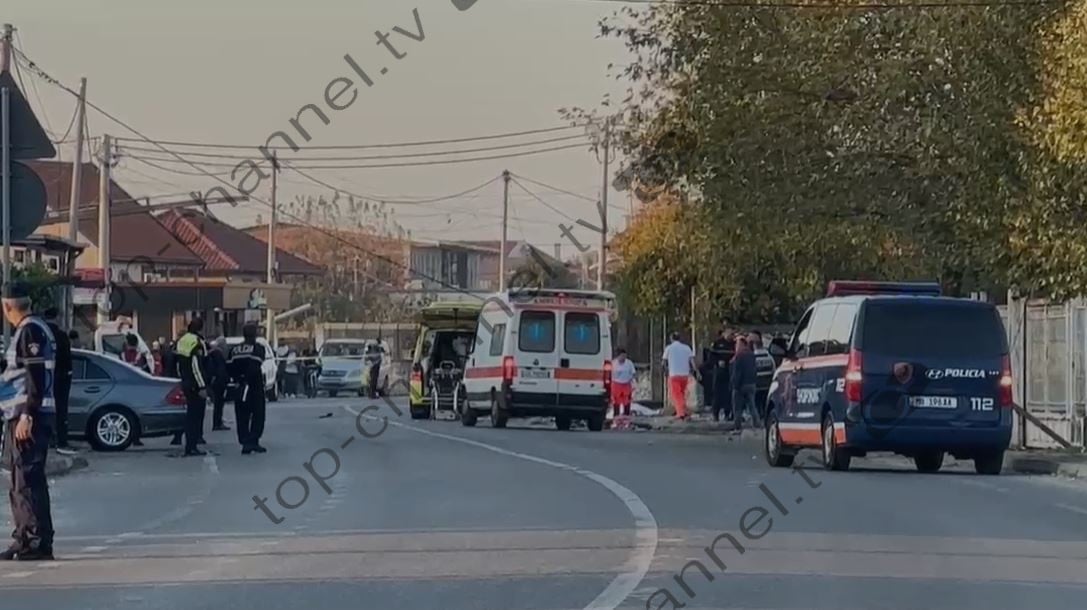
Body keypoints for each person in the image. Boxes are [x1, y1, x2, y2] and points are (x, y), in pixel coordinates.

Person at [0, 284, 56, 561]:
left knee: (27, 481)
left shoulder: (30, 331)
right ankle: (25, 537)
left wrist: (26, 415)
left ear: (7, 306)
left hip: (29, 417)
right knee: (22, 480)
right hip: (23, 415)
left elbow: (35, 376)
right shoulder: (33, 328)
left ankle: (35, 541)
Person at [229, 323, 267, 454]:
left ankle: (245, 441)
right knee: (258, 414)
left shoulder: (235, 349)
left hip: (239, 385)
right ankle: (253, 440)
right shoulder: (258, 348)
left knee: (241, 415)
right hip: (254, 386)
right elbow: (255, 366)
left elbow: (229, 367)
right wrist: (246, 378)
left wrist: (237, 379)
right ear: (254, 335)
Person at [175, 319, 209, 456]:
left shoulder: (182, 340)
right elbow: (197, 366)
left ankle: (190, 445)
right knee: (196, 416)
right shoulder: (196, 342)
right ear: (200, 329)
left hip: (185, 382)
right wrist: (202, 386)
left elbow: (178, 364)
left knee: (190, 415)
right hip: (195, 384)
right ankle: (192, 446)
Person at [42, 309, 73, 453]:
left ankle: (47, 440)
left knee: (43, 411)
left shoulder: (40, 334)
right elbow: (67, 358)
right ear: (57, 318)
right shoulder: (61, 336)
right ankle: (61, 442)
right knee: (61, 410)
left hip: (43, 379)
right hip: (61, 378)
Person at [662, 332, 698, 420]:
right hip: (685, 375)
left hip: (674, 374)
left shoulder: (669, 348)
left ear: (671, 339)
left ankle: (680, 413)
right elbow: (692, 361)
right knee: (682, 394)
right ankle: (684, 411)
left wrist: (665, 370)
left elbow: (663, 362)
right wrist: (696, 371)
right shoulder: (686, 348)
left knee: (676, 395)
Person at [731, 334, 761, 431]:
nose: (736, 346)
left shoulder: (739, 356)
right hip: (751, 384)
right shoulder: (752, 355)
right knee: (752, 405)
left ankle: (737, 426)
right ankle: (757, 423)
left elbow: (737, 373)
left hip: (741, 385)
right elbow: (754, 370)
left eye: (737, 344)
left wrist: (734, 385)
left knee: (737, 407)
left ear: (743, 345)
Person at [709, 329, 736, 422]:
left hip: (731, 372)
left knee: (729, 394)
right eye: (730, 334)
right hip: (719, 372)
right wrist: (717, 362)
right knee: (717, 394)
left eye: (732, 334)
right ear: (724, 334)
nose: (731, 336)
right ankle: (715, 414)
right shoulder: (717, 343)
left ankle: (727, 414)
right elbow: (711, 357)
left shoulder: (735, 344)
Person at [208, 337, 231, 431]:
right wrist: (225, 379)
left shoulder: (213, 353)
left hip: (217, 381)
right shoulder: (218, 354)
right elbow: (220, 369)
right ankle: (217, 423)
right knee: (219, 403)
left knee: (219, 403)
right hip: (219, 382)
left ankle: (218, 422)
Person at [611, 348, 636, 418]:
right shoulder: (613, 363)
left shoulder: (629, 363)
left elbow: (633, 373)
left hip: (626, 385)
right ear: (618, 356)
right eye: (622, 356)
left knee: (627, 402)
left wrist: (632, 381)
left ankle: (626, 417)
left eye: (625, 356)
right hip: (616, 385)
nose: (623, 358)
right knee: (616, 403)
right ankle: (616, 417)